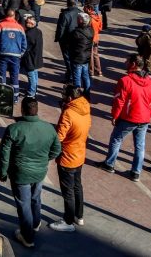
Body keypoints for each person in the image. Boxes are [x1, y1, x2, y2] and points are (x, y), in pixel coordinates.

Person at [0, 97, 62, 248]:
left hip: (20, 174)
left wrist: (3, 172)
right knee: (36, 197)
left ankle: (27, 237)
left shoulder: (14, 129)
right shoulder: (49, 128)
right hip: (40, 172)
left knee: (23, 204)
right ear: (37, 110)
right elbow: (57, 149)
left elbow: (4, 154)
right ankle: (36, 223)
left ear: (23, 110)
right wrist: (44, 159)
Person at [101, 54, 151, 181]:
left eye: (128, 61)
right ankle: (136, 172)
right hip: (144, 118)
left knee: (116, 139)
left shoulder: (125, 81)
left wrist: (115, 115)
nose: (125, 62)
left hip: (129, 117)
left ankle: (109, 164)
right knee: (140, 145)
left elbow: (119, 101)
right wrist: (150, 114)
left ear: (133, 64)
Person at [50, 85, 91, 232]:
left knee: (68, 191)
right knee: (77, 186)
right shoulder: (85, 108)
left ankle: (68, 221)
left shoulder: (68, 113)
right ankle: (79, 216)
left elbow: (59, 136)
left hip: (68, 156)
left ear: (69, 98)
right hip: (80, 153)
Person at [0, 9, 27, 100]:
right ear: (14, 16)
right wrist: (21, 53)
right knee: (14, 76)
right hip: (15, 55)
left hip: (2, 54)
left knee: (1, 75)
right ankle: (15, 97)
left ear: (5, 16)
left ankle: (2, 96)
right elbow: (24, 44)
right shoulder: (20, 28)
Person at [66, 12, 94, 98]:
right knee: (85, 76)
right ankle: (87, 93)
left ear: (80, 21)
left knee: (77, 77)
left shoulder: (76, 33)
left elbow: (70, 44)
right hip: (86, 57)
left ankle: (77, 95)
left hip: (77, 58)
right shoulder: (91, 30)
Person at [21, 15, 43, 98]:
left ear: (32, 24)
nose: (26, 24)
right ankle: (35, 89)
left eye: (27, 22)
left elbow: (25, 47)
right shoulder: (38, 31)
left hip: (30, 58)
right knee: (34, 74)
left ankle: (31, 92)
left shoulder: (28, 34)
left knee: (31, 75)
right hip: (37, 57)